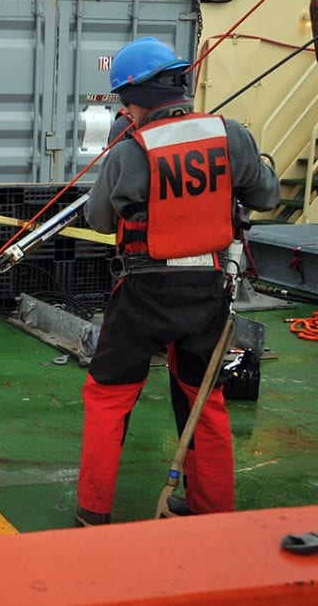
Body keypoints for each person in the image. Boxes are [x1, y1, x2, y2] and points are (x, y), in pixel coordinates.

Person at [75, 37, 280, 526]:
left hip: (143, 289)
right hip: (208, 291)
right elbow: (266, 196)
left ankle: (93, 512)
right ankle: (212, 511)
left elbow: (101, 220)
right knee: (203, 397)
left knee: (108, 397)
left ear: (133, 101)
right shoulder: (230, 135)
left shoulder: (129, 151)